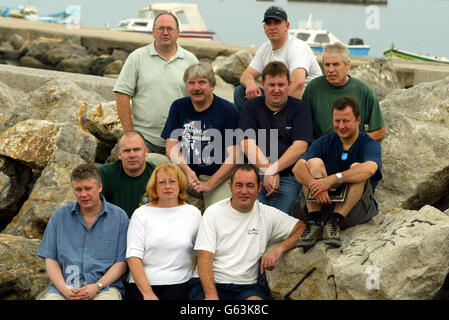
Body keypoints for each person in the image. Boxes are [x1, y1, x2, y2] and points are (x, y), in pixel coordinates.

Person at [189, 164, 305, 300]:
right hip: (210, 284)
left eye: (250, 186)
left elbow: (301, 228)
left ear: (259, 188)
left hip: (246, 287)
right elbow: (204, 259)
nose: (244, 191)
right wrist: (212, 296)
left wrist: (279, 249)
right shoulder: (213, 213)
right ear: (230, 186)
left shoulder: (267, 214)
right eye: (239, 185)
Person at [293, 96, 382, 249]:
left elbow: (370, 169)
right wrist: (315, 185)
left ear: (358, 120)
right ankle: (315, 223)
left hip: (353, 209)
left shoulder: (369, 144)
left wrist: (333, 179)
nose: (341, 126)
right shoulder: (325, 141)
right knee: (313, 163)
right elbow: (297, 168)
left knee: (358, 167)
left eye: (346, 121)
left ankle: (335, 222)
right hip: (322, 204)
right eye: (337, 121)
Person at [37, 163, 129, 300]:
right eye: (78, 189)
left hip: (104, 288)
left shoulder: (119, 217)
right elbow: (50, 259)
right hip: (66, 288)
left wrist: (97, 285)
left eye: (88, 188)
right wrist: (64, 289)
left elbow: (122, 262)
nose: (83, 194)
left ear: (100, 187)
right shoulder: (59, 217)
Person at [113, 12, 199, 158]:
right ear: (153, 32)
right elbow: (122, 94)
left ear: (178, 33)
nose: (165, 32)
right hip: (144, 139)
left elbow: (200, 98)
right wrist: (129, 134)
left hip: (180, 140)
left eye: (170, 29)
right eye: (161, 28)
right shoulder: (137, 57)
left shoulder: (190, 60)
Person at [237, 61, 312, 215]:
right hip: (256, 176)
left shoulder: (300, 108)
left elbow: (300, 146)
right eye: (271, 85)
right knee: (249, 217)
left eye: (281, 84)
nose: (276, 90)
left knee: (277, 221)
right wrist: (267, 171)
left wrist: (273, 170)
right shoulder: (251, 107)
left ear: (289, 84)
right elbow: (246, 144)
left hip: (289, 177)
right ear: (262, 84)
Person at [162, 62, 239, 209]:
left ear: (212, 86)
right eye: (191, 83)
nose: (196, 88)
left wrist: (209, 184)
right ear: (186, 87)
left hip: (216, 177)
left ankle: (205, 200)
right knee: (151, 160)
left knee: (217, 214)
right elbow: (171, 147)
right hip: (184, 172)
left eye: (202, 83)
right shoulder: (178, 107)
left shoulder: (228, 110)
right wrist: (187, 171)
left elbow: (235, 156)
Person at [126, 163, 201, 300]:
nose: (167, 186)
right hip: (142, 286)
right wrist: (147, 293)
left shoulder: (193, 213)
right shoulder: (141, 214)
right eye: (161, 182)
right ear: (155, 186)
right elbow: (133, 257)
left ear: (180, 184)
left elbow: (202, 253)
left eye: (172, 181)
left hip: (180, 283)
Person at [234, 6, 322, 111]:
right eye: (268, 23)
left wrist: (280, 112)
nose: (272, 27)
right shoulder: (265, 48)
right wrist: (250, 83)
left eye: (277, 22)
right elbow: (246, 75)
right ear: (264, 28)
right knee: (240, 91)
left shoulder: (297, 48)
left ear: (287, 26)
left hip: (305, 101)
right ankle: (251, 125)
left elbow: (298, 83)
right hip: (280, 96)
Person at [302, 42, 386, 142]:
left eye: (336, 64)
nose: (331, 70)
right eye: (327, 65)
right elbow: (302, 128)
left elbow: (380, 131)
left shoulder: (363, 90)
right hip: (321, 150)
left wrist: (355, 141)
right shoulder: (313, 88)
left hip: (353, 150)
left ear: (348, 66)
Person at [99, 131, 156, 218]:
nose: (132, 155)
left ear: (146, 152)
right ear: (119, 154)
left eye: (136, 150)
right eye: (127, 151)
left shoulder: (157, 175)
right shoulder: (105, 174)